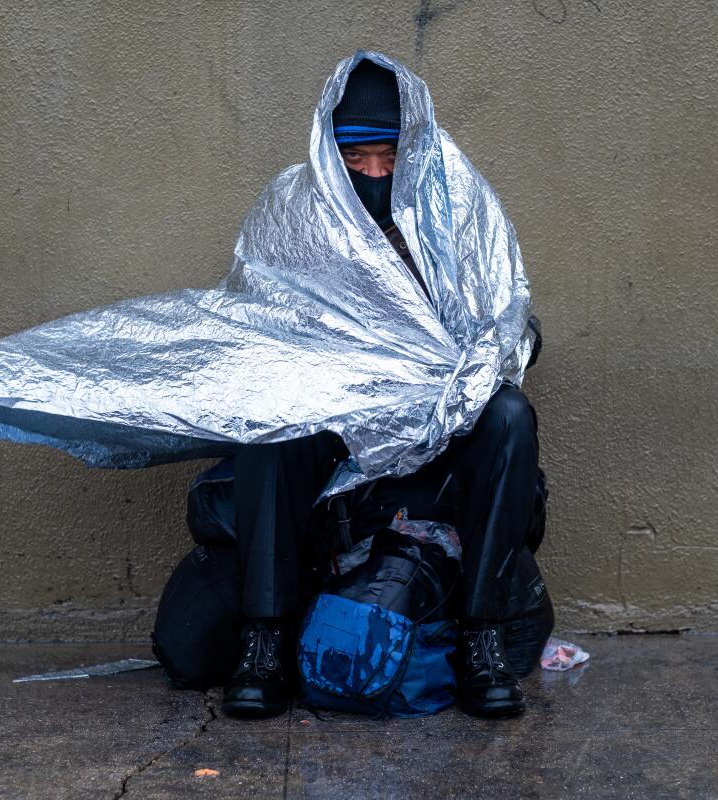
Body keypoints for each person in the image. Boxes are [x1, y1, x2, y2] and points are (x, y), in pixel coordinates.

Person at [221, 59, 543, 720]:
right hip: (335, 421)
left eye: (388, 156)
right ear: (331, 154)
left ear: (414, 152)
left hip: (441, 423)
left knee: (509, 418)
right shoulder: (294, 206)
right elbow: (258, 320)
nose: (373, 173)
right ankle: (267, 639)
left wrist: (473, 369)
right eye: (356, 157)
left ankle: (480, 635)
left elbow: (506, 319)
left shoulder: (455, 205)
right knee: (263, 430)